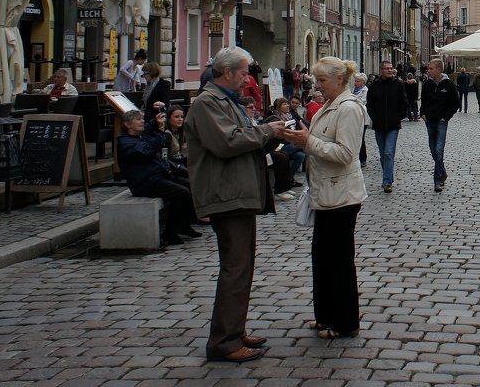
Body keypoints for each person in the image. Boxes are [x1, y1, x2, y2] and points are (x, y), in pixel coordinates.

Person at [185, 45, 286, 363]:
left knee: (242, 266)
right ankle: (224, 341)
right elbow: (227, 142)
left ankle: (234, 329)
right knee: (235, 267)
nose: (247, 80)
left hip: (236, 193)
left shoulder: (225, 101)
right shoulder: (208, 102)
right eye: (243, 73)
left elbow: (242, 135)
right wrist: (266, 131)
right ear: (227, 73)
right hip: (225, 195)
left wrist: (269, 134)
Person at [279, 56, 368, 339]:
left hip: (342, 194)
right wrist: (300, 139)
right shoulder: (328, 106)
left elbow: (345, 154)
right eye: (316, 80)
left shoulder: (349, 108)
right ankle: (325, 315)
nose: (317, 86)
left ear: (340, 80)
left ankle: (345, 322)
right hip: (325, 192)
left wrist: (309, 143)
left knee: (339, 259)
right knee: (323, 256)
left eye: (322, 80)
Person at [117, 108, 198, 246]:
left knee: (191, 185)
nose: (142, 121)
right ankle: (170, 232)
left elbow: (149, 129)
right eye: (138, 119)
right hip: (145, 182)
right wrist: (160, 134)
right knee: (182, 193)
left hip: (158, 176)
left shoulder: (139, 136)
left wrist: (156, 121)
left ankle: (184, 224)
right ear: (127, 124)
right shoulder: (126, 142)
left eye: (142, 118)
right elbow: (146, 151)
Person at [365, 60, 407, 193]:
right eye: (387, 68)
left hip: (393, 125)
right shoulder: (374, 86)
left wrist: (398, 116)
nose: (390, 70)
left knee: (389, 152)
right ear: (381, 70)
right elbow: (369, 105)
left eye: (391, 68)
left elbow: (404, 103)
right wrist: (374, 117)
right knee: (383, 154)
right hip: (379, 125)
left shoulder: (398, 84)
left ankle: (387, 181)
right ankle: (388, 176)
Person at [420, 58, 458, 192]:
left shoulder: (448, 85)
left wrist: (445, 117)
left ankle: (437, 180)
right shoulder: (427, 84)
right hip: (429, 121)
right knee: (432, 150)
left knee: (438, 149)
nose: (428, 70)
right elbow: (423, 101)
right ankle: (442, 172)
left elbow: (455, 103)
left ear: (439, 70)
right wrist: (422, 114)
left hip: (441, 122)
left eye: (431, 68)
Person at [351, 74, 369, 166]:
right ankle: (355, 157)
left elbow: (362, 102)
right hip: (354, 116)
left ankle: (363, 158)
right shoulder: (353, 90)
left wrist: (352, 101)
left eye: (357, 81)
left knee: (361, 138)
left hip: (362, 117)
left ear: (363, 82)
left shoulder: (365, 91)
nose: (355, 83)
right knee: (354, 137)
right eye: (355, 81)